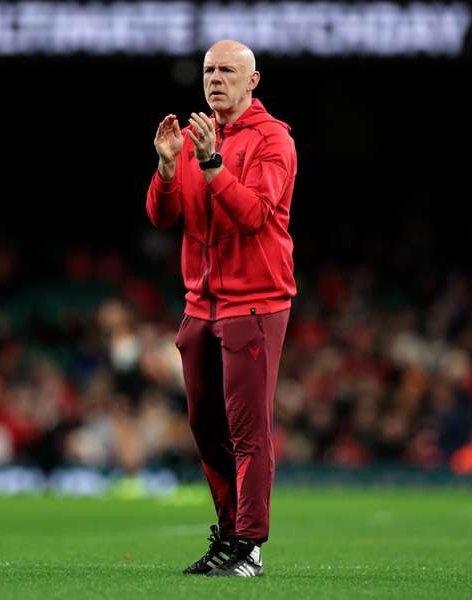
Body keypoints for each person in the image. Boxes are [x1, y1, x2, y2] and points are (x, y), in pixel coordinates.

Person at [145, 39, 297, 577]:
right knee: (205, 426)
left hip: (254, 302)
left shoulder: (273, 140)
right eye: (209, 70)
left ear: (252, 81)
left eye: (228, 71)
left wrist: (212, 163)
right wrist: (167, 170)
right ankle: (229, 534)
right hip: (201, 304)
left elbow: (253, 215)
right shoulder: (192, 138)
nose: (215, 79)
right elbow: (163, 217)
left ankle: (249, 547)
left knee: (247, 429)